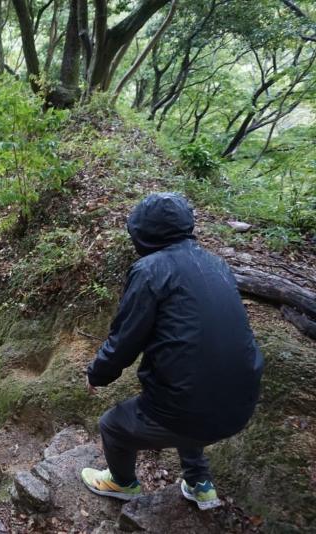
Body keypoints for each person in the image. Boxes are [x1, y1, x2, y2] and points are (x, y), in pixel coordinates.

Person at [80, 193, 264, 511]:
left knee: (112, 425)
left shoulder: (150, 270)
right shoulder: (216, 264)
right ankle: (200, 483)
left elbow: (125, 338)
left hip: (186, 409)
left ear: (141, 231)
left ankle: (121, 483)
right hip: (241, 405)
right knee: (192, 395)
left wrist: (97, 374)